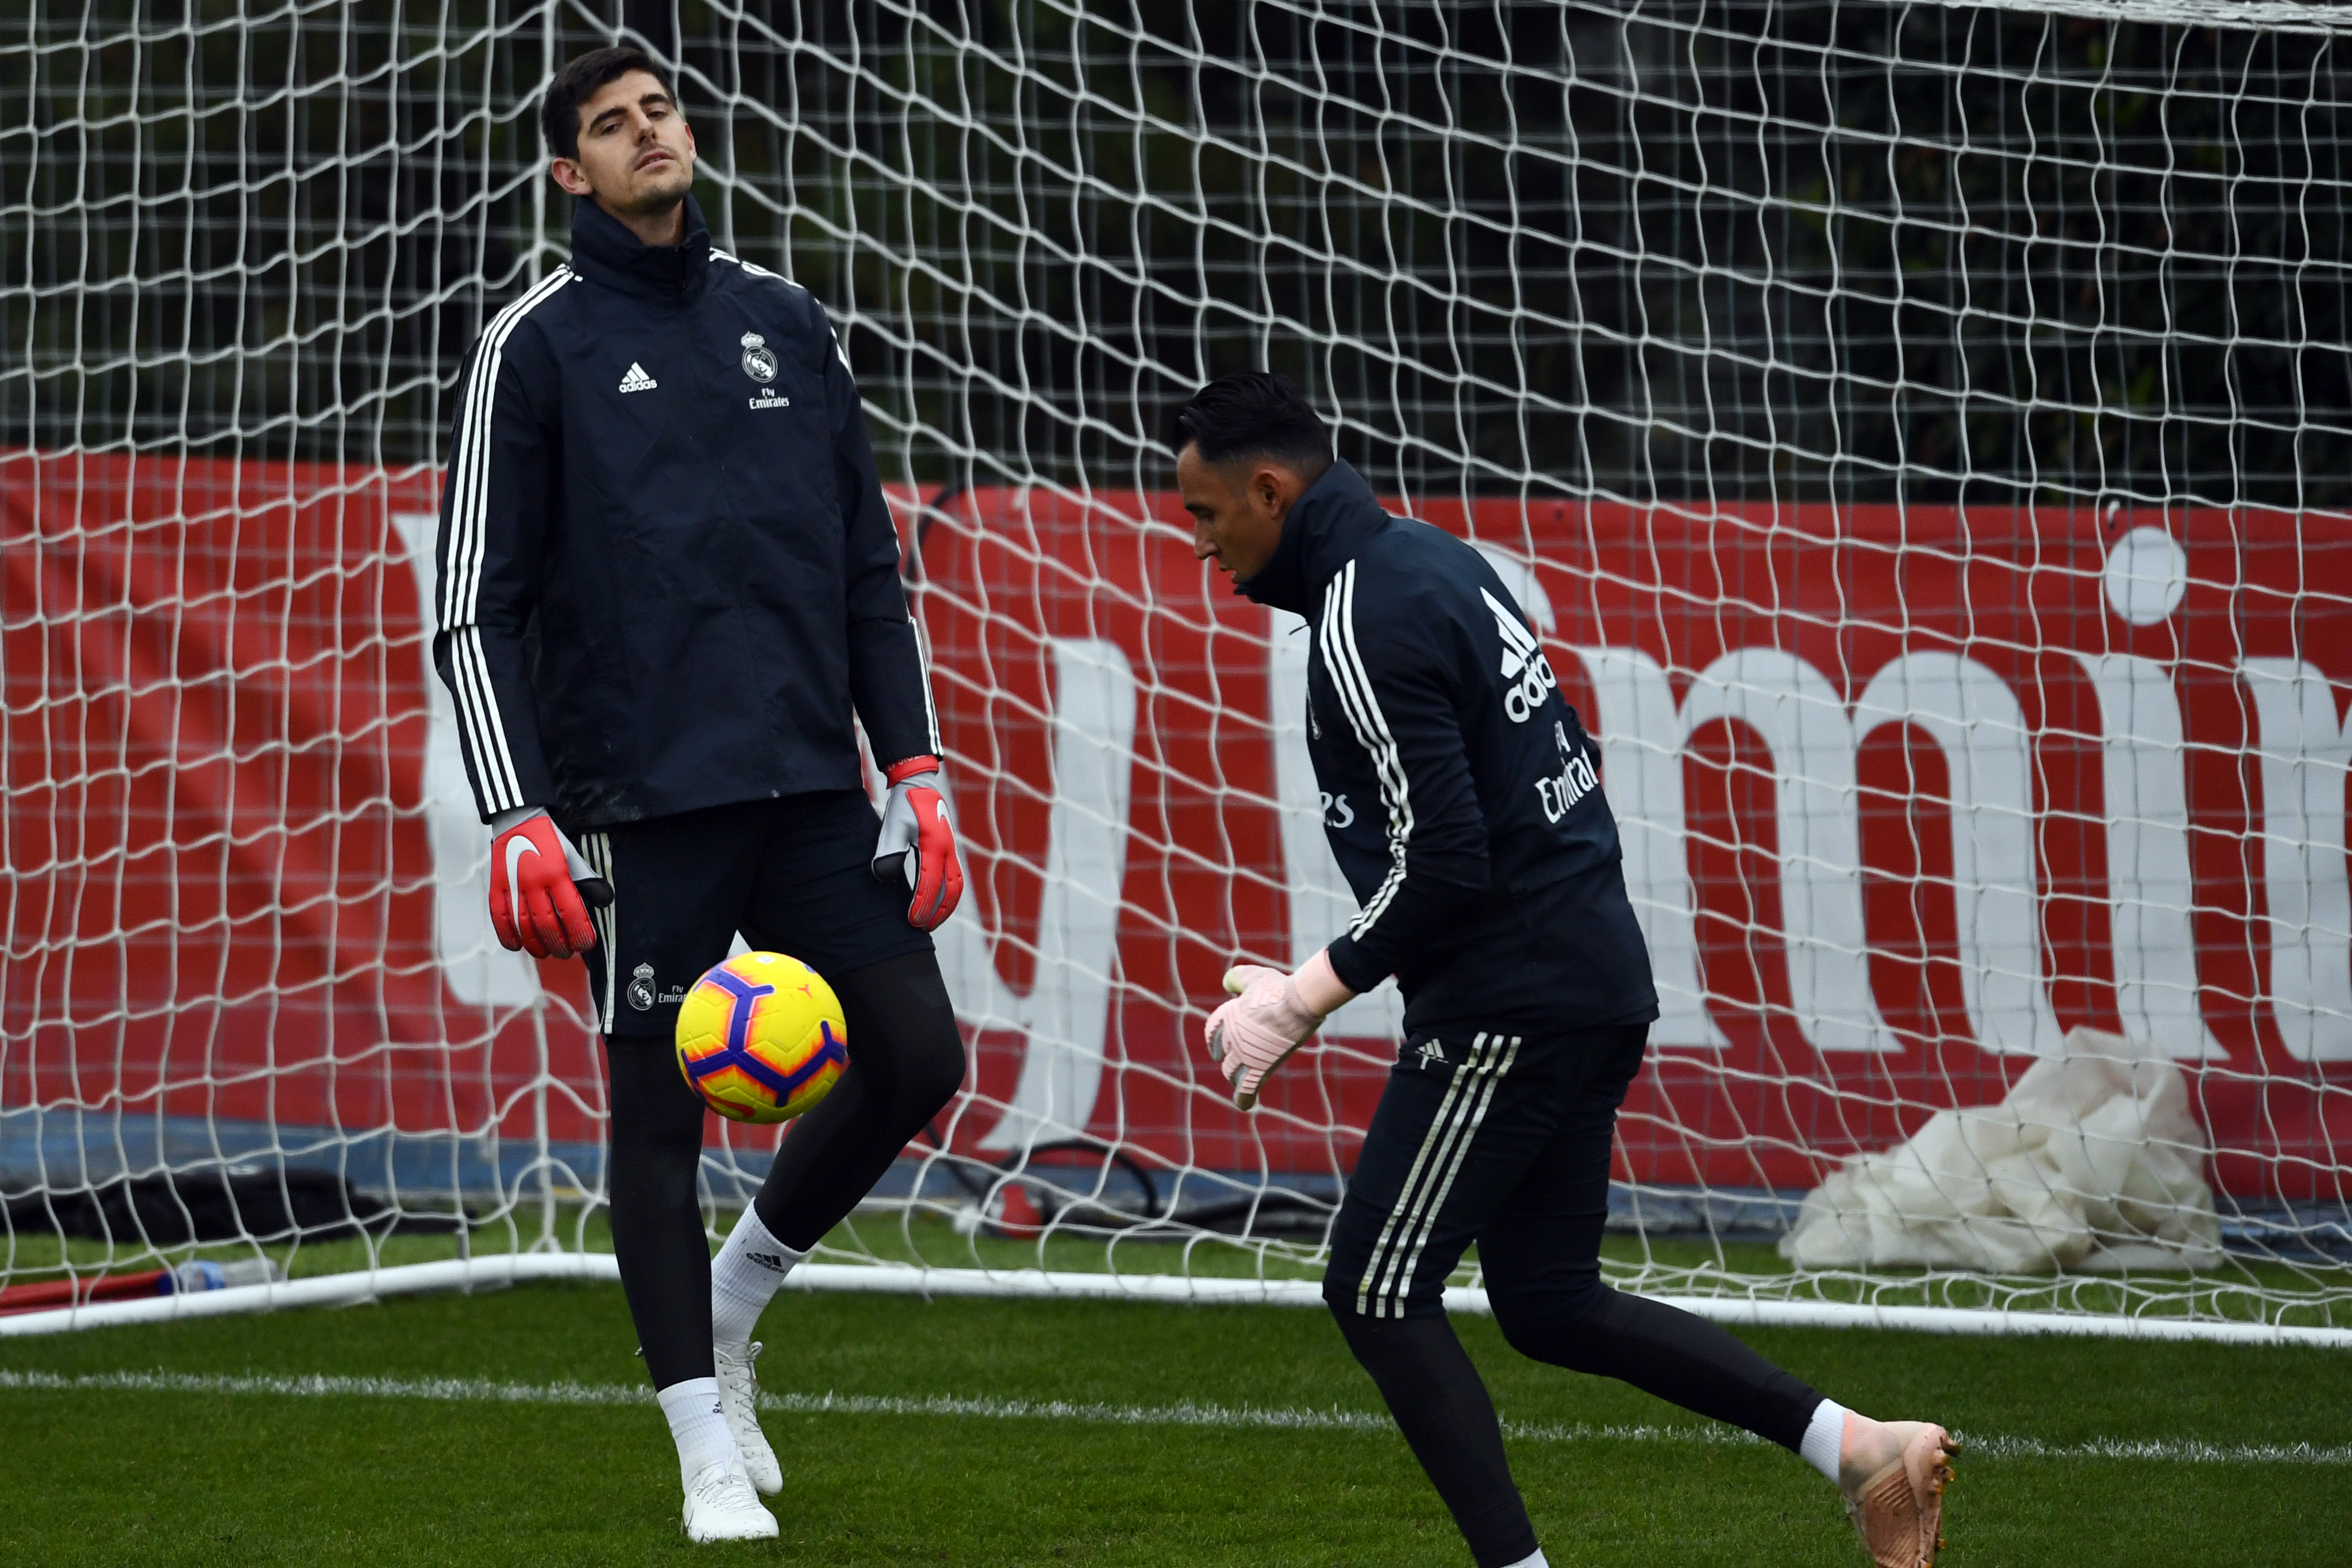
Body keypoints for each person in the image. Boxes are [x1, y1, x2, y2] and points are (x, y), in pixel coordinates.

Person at [1180, 371, 1957, 1568]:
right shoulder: (1434, 559)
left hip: (1513, 1000)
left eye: (1206, 516)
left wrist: (1300, 996)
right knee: (1546, 1302)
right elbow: (1555, 761)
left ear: (1270, 491)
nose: (1205, 551)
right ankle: (1856, 1449)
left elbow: (1447, 860)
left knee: (1376, 1290)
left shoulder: (1360, 612)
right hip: (1587, 972)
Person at [432, 46, 969, 1544]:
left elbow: (866, 568)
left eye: (657, 109)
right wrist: (517, 809)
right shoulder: (530, 344)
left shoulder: (783, 324)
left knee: (919, 1052)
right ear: (570, 176)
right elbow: (472, 605)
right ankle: (698, 1447)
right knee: (655, 1115)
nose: (645, 134)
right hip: (633, 802)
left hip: (804, 779)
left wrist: (912, 767)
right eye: (609, 125)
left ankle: (739, 1299)